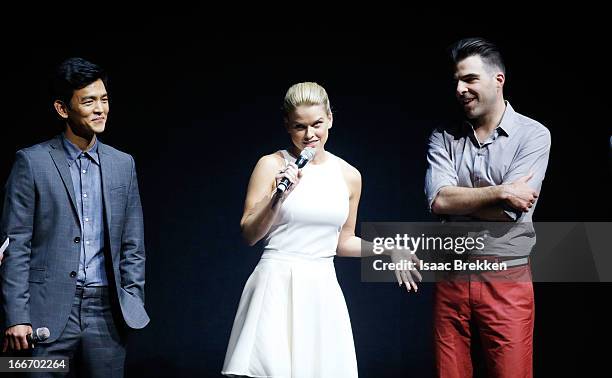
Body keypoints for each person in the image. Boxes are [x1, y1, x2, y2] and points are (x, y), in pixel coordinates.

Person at [222, 82, 419, 377]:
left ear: (330, 118)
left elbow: (343, 242)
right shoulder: (271, 165)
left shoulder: (349, 176)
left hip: (321, 286)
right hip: (276, 281)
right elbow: (249, 235)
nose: (310, 135)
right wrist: (277, 196)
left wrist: (388, 249)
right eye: (300, 126)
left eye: (317, 124)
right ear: (288, 126)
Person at [0, 57, 149, 376]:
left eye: (104, 99)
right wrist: (16, 316)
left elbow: (133, 244)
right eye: (89, 101)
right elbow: (16, 246)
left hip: (106, 313)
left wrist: (132, 298)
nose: (100, 109)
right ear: (62, 108)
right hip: (45, 315)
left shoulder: (123, 164)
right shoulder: (32, 162)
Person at [425, 37, 551, 377]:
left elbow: (511, 211)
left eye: (469, 79)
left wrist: (465, 200)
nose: (460, 89)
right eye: (456, 81)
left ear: (499, 80)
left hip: (507, 277)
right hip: (451, 276)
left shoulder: (534, 135)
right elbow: (439, 201)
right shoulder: (443, 136)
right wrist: (503, 191)